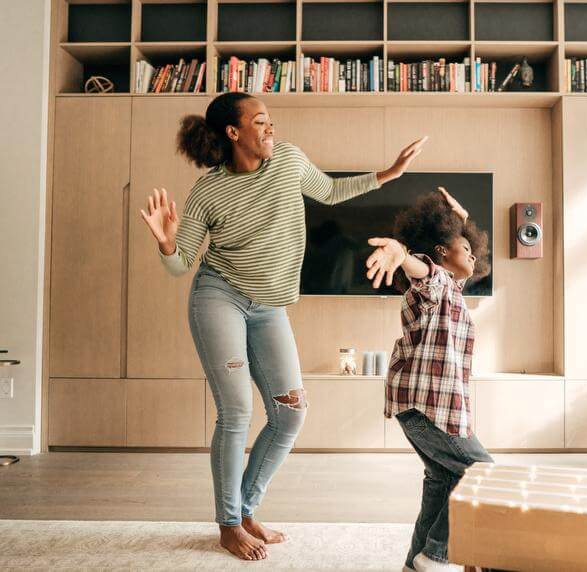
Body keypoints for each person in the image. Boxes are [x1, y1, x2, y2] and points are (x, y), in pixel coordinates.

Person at [140, 91, 427, 560]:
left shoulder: (289, 160)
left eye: (270, 120)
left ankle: (246, 509)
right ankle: (229, 524)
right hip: (220, 298)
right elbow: (180, 265)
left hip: (270, 307)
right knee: (235, 413)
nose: (270, 127)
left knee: (290, 413)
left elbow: (331, 191)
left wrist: (388, 173)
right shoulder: (208, 191)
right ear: (234, 133)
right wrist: (169, 244)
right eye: (260, 121)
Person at [365, 187, 492, 572]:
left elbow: (469, 261)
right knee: (482, 471)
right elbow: (419, 268)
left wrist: (465, 220)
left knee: (441, 480)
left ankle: (415, 564)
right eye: (463, 247)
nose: (472, 253)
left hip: (426, 407)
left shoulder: (453, 288)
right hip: (426, 407)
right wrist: (401, 255)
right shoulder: (432, 286)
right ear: (440, 252)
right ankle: (436, 554)